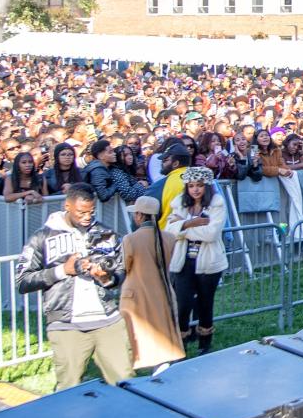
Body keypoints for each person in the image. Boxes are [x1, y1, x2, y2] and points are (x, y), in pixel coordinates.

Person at [15, 183, 132, 390]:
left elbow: (121, 270)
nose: (87, 217)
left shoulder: (106, 233)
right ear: (67, 206)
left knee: (126, 382)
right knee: (68, 388)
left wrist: (106, 278)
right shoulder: (42, 237)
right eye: (81, 212)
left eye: (91, 212)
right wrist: (63, 270)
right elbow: (22, 281)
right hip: (66, 324)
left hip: (107, 320)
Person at [163, 167, 228, 349]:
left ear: (206, 186)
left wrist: (182, 228)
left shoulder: (217, 203)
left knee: (205, 304)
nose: (195, 190)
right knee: (183, 304)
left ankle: (204, 344)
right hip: (183, 261)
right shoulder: (179, 204)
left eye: (199, 185)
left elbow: (211, 234)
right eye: (191, 186)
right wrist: (190, 222)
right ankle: (181, 344)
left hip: (208, 261)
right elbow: (169, 231)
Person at [120, 195, 185, 371]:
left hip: (137, 292)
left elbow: (125, 266)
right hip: (163, 290)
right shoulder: (169, 238)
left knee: (140, 334)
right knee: (163, 331)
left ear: (139, 215)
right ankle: (163, 363)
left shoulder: (130, 239)